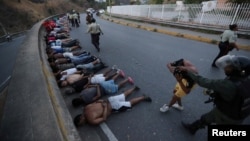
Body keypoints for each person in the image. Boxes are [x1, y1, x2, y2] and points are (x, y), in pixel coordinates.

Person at [181, 54, 250, 135]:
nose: (226, 67)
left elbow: (203, 81)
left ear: (240, 71)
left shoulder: (228, 84)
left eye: (230, 67)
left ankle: (193, 127)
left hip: (227, 116)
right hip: (239, 115)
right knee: (207, 117)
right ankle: (193, 128)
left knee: (210, 119)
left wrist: (188, 72)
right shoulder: (246, 80)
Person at [73, 86, 152, 126]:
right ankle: (134, 88)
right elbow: (97, 101)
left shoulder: (91, 121)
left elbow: (104, 118)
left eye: (81, 123)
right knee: (123, 95)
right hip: (109, 100)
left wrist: (104, 108)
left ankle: (143, 97)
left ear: (81, 119)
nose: (83, 124)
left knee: (129, 103)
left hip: (112, 107)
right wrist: (103, 102)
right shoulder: (86, 108)